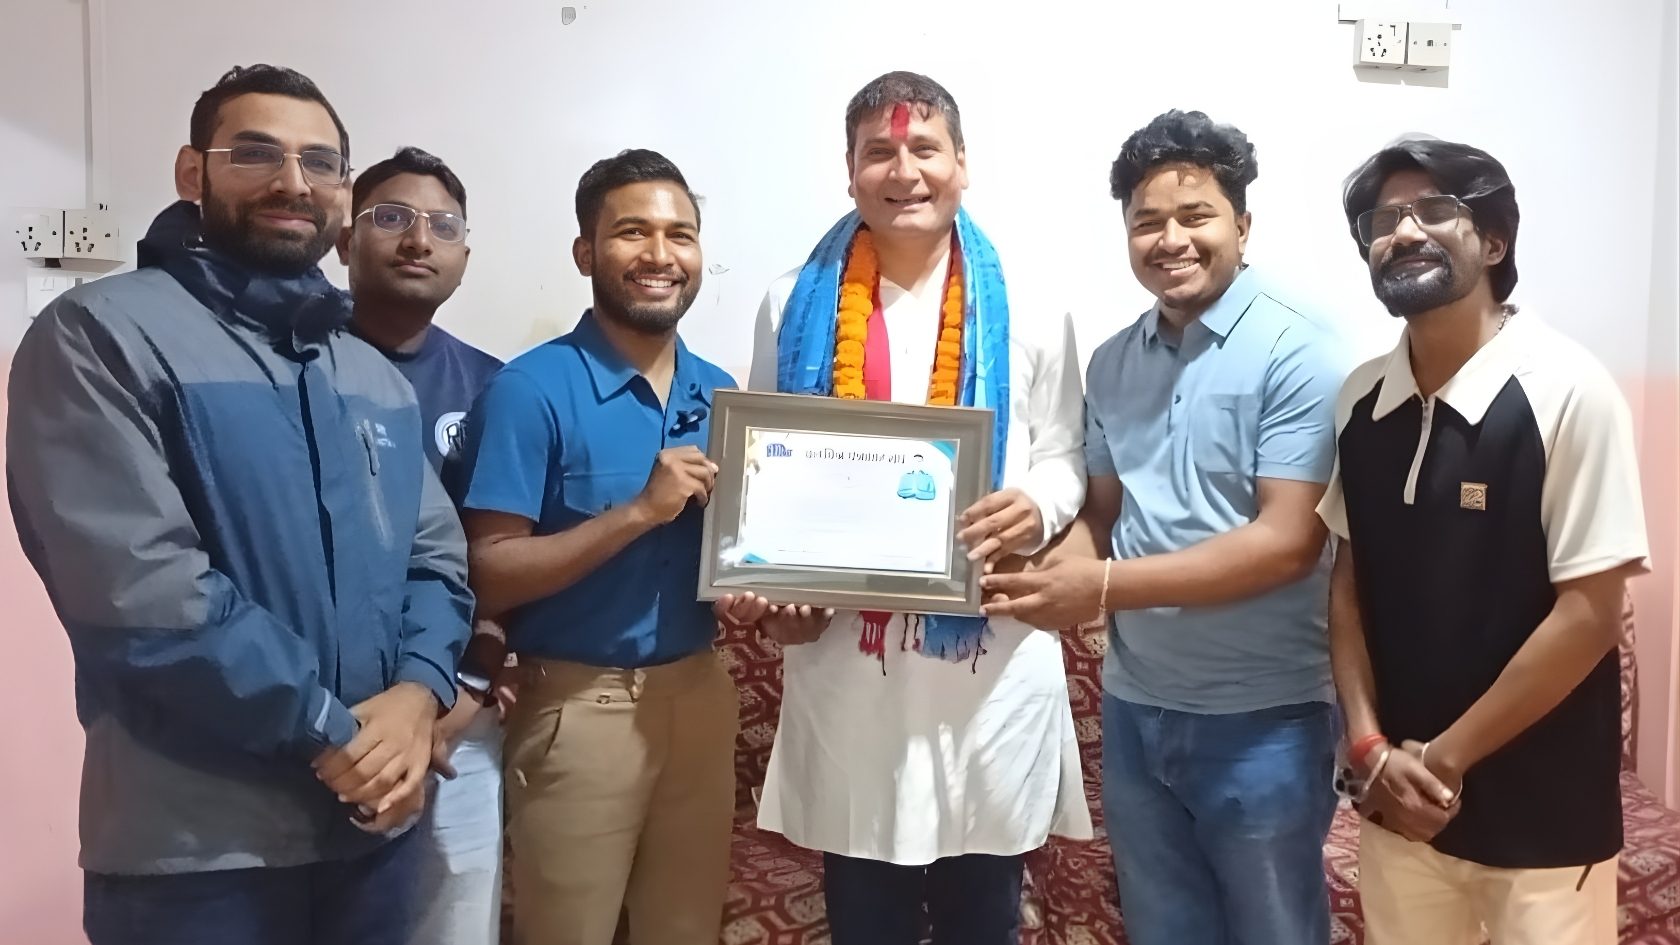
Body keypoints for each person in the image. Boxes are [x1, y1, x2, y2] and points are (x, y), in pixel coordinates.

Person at [6, 64, 472, 945]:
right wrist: (333, 732)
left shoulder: (367, 372)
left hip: (377, 837)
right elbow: (142, 593)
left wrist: (419, 692)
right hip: (197, 855)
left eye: (320, 162)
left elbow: (435, 560)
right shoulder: (101, 335)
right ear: (194, 173)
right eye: (256, 154)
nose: (293, 181)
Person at [728, 70, 1089, 945]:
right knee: (866, 912)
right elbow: (767, 456)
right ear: (849, 171)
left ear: (963, 163)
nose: (904, 171)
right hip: (849, 662)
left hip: (987, 660)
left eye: (924, 148)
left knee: (982, 914)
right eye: (878, 152)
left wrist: (1035, 505)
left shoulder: (1033, 300)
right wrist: (775, 581)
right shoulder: (793, 298)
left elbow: (1064, 452)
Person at [982, 109, 1347, 945]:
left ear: (1243, 226)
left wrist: (1100, 586)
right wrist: (1044, 577)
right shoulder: (1113, 361)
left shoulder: (1301, 351)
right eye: (1147, 221)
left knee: (1275, 933)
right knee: (1163, 929)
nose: (1170, 239)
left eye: (1195, 215)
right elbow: (1103, 515)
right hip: (1136, 709)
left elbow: (1288, 541)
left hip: (1266, 717)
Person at [1322, 137, 1649, 945]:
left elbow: (1589, 614)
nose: (1403, 232)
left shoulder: (1569, 389)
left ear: (1495, 241)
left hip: (1544, 819)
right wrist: (1369, 747)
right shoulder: (1361, 399)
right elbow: (1349, 582)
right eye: (1382, 220)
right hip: (1398, 809)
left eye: (1435, 210)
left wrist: (1440, 761)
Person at [457, 149, 737, 945]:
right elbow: (488, 573)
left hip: (701, 697)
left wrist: (767, 594)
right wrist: (640, 512)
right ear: (586, 253)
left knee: (686, 932)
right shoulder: (529, 390)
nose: (660, 254)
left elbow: (743, 554)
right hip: (577, 710)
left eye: (680, 234)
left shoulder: (723, 394)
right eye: (632, 232)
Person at [339, 145, 506, 945]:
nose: (418, 240)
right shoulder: (288, 365)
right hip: (325, 712)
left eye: (443, 226)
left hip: (458, 716)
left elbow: (504, 554)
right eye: (393, 217)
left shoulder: (495, 386)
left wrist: (470, 683)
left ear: (464, 256)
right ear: (344, 236)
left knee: (455, 922)